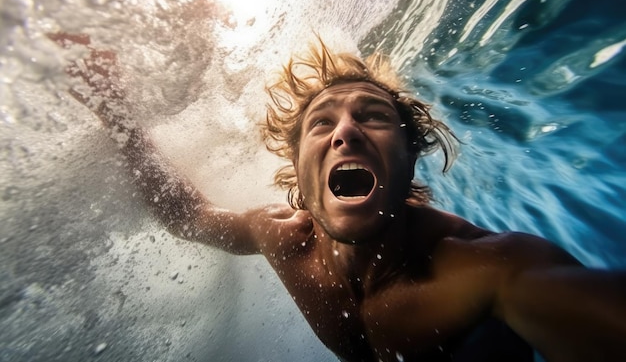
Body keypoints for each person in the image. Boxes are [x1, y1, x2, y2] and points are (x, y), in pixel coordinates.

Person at [49, 32, 626, 362]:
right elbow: (187, 214)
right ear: (298, 173)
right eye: (322, 124)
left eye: (371, 117)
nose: (345, 131)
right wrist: (112, 109)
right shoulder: (283, 239)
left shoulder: (486, 271)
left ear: (410, 157)